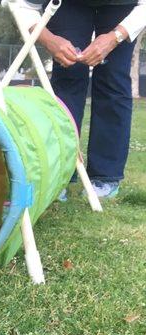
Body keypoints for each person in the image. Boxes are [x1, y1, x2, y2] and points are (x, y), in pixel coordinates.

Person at [17, 0, 146, 198]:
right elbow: (20, 5)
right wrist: (50, 40)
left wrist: (115, 37)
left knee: (113, 78)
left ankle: (105, 176)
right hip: (69, 4)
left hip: (122, 5)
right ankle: (61, 172)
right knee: (69, 74)